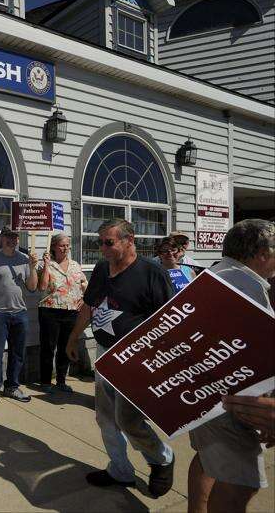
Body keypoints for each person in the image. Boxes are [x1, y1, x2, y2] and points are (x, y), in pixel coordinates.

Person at [65, 218, 176, 497]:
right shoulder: (102, 269)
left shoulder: (152, 273)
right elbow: (89, 306)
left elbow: (170, 320)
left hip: (136, 358)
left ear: (129, 240)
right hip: (105, 354)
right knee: (105, 418)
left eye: (109, 243)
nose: (102, 249)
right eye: (99, 243)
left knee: (128, 420)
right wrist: (73, 337)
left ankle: (161, 458)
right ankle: (120, 470)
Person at [188, 218, 275, 513]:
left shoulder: (214, 274)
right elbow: (258, 356)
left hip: (202, 395)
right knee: (241, 484)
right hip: (233, 403)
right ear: (262, 254)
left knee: (207, 460)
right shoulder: (246, 288)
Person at [0, 226, 39, 405]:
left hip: (19, 313)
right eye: (8, 237)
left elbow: (32, 287)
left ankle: (12, 386)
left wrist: (32, 267)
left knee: (17, 353)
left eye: (15, 237)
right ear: (1, 238)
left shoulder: (25, 259)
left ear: (18, 239)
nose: (12, 240)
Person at [36, 233, 87, 393]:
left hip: (71, 311)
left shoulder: (75, 265)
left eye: (67, 245)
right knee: (48, 347)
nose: (65, 248)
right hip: (50, 310)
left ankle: (61, 381)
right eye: (62, 245)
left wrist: (84, 298)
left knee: (66, 347)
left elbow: (85, 285)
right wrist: (46, 265)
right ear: (54, 247)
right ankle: (45, 382)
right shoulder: (46, 264)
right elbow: (42, 287)